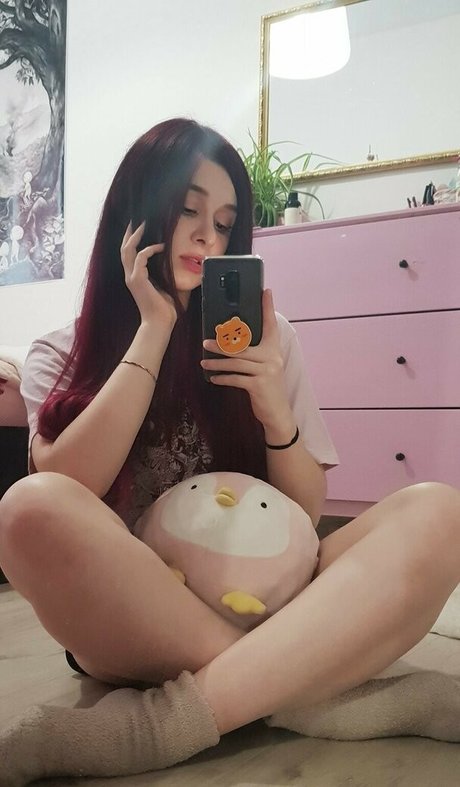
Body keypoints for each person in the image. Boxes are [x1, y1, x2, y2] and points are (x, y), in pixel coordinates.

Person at [0, 117, 459, 784]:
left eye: (224, 222)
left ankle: (160, 724)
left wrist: (273, 407)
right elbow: (73, 483)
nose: (208, 237)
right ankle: (309, 693)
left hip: (277, 593)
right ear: (134, 214)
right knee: (28, 507)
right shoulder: (59, 353)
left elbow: (304, 514)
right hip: (136, 620)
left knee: (439, 511)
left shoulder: (269, 340)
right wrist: (154, 329)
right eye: (187, 210)